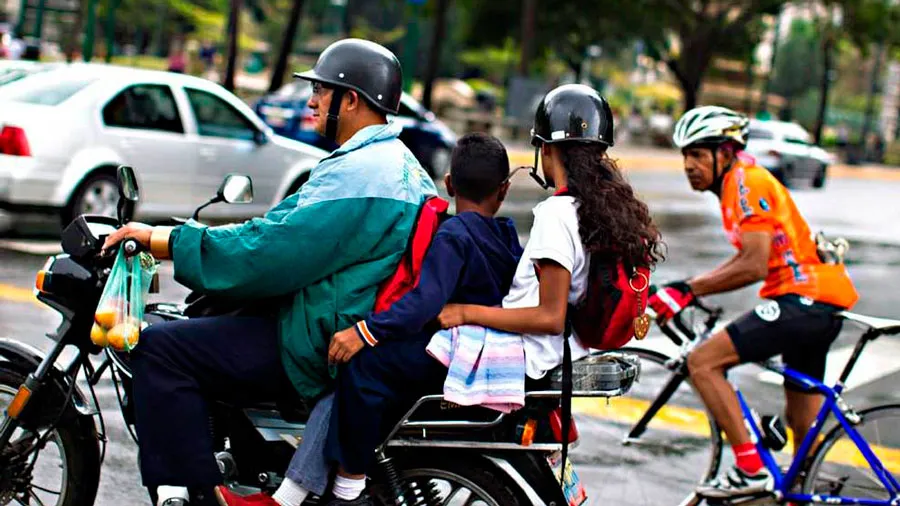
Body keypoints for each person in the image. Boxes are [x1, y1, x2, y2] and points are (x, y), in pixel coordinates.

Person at [101, 38, 436, 506]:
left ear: (353, 100)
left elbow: (270, 253)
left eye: (321, 91)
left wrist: (166, 240)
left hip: (316, 338)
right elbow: (282, 228)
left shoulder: (365, 173)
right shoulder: (395, 165)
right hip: (340, 319)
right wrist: (191, 236)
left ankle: (194, 496)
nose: (312, 101)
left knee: (161, 349)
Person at [215, 132, 523, 506]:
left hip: (450, 352)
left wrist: (366, 330)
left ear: (449, 183)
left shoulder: (454, 234)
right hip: (478, 350)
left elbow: (425, 301)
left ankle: (346, 489)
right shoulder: (506, 235)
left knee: (362, 368)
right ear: (503, 190)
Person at [649, 106, 859, 498]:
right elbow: (747, 258)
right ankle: (808, 491)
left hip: (803, 300)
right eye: (684, 156)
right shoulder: (739, 186)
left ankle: (748, 467)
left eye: (697, 154)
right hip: (817, 304)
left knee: (703, 362)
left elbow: (753, 263)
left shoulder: (746, 184)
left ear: (725, 153)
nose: (688, 165)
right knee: (802, 432)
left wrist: (690, 289)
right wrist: (694, 286)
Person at [435, 84, 661, 415]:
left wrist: (464, 312)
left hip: (529, 353)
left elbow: (549, 317)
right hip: (558, 349)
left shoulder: (558, 213)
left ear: (546, 148)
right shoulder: (596, 208)